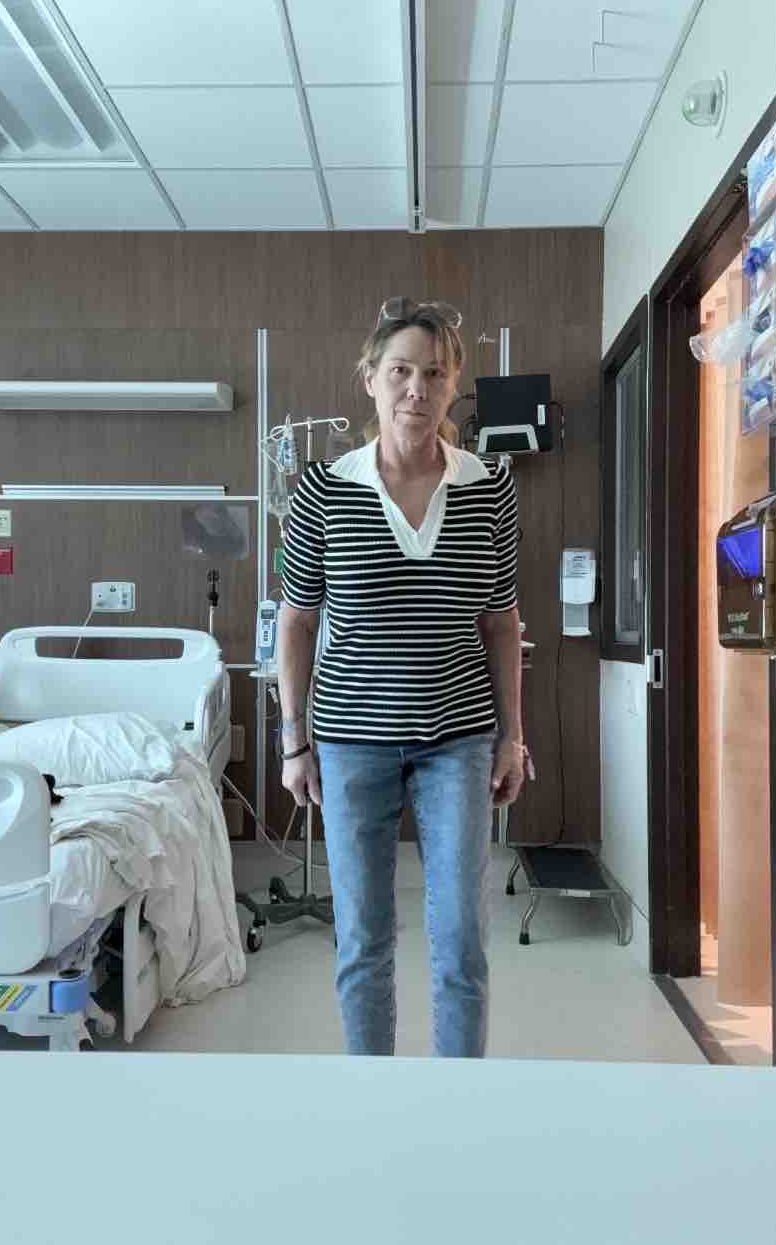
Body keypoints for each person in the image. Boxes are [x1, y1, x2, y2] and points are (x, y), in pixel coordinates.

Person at [277, 296, 526, 1058]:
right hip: (351, 742)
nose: (417, 388)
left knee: (460, 942)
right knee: (363, 940)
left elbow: (502, 621)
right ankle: (372, 1097)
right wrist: (294, 741)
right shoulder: (323, 490)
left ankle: (456, 1099)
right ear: (370, 379)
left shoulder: (490, 487)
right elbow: (297, 620)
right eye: (401, 371)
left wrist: (512, 737)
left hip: (458, 740)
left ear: (453, 387)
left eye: (435, 373)